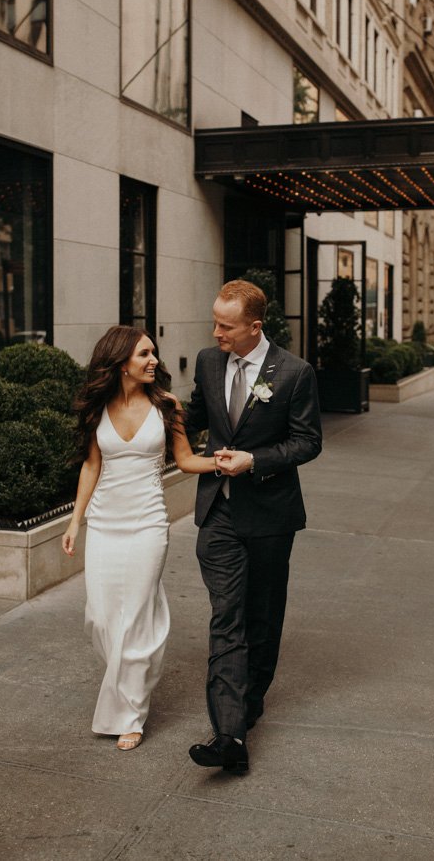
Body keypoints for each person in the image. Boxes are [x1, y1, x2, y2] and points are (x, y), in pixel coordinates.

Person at [185, 280, 322, 775]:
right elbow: (193, 416)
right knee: (227, 616)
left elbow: (308, 442)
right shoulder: (207, 361)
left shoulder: (295, 372)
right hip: (217, 512)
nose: (215, 332)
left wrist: (255, 460)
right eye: (215, 322)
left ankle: (249, 704)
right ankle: (229, 733)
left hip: (269, 514)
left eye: (225, 325)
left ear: (254, 327)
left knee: (262, 615)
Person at [62, 326, 218, 752]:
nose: (153, 360)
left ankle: (129, 713)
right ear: (120, 361)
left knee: (135, 618)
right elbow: (91, 467)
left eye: (154, 353)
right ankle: (127, 682)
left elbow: (185, 460)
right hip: (105, 523)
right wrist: (75, 521)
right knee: (99, 616)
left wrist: (223, 462)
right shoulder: (98, 408)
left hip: (148, 524)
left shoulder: (167, 406)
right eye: (144, 354)